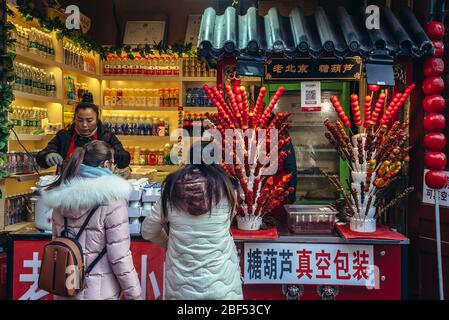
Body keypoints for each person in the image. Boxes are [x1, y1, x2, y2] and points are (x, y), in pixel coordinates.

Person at [141, 141, 243, 300]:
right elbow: (228, 221)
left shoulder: (172, 188)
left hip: (181, 286)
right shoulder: (227, 187)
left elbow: (148, 229)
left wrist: (169, 243)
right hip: (222, 283)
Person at [41, 140, 141, 300]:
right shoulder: (112, 200)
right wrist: (134, 293)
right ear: (106, 164)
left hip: (66, 288)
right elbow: (119, 257)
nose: (114, 168)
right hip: (100, 291)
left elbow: (57, 241)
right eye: (113, 163)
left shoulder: (60, 197)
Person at [36, 93, 130, 169]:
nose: (84, 125)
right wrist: (47, 155)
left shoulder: (106, 136)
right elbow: (41, 157)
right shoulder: (64, 136)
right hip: (68, 186)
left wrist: (115, 154)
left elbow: (124, 160)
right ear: (74, 119)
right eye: (80, 120)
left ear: (97, 120)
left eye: (89, 121)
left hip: (99, 186)